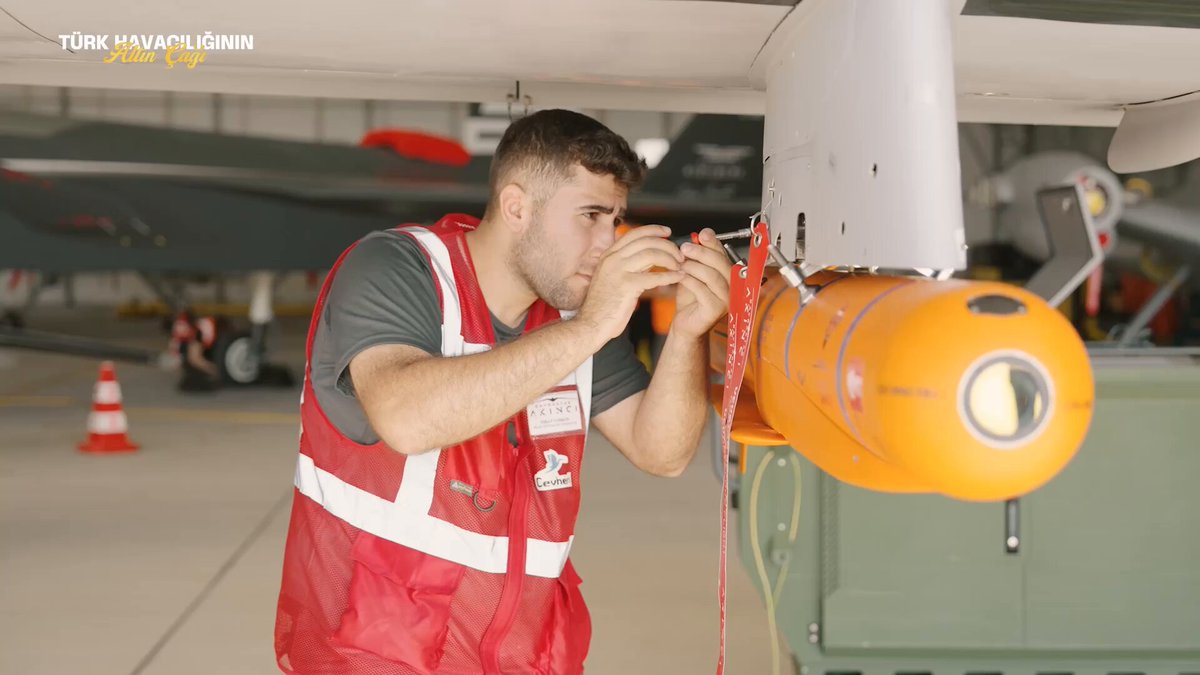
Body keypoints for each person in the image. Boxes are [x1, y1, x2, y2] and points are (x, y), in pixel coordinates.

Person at [274, 109, 732, 675]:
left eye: (614, 219)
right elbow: (406, 419)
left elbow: (661, 452)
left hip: (520, 657)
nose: (606, 243)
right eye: (589, 215)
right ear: (517, 207)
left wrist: (686, 333)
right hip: (376, 657)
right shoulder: (399, 269)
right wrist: (590, 328)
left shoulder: (571, 313)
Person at [169, 308, 221, 392]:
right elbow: (175, 343)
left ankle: (217, 373)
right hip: (193, 342)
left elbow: (195, 357)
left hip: (201, 341)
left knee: (194, 359)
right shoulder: (182, 330)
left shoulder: (196, 331)